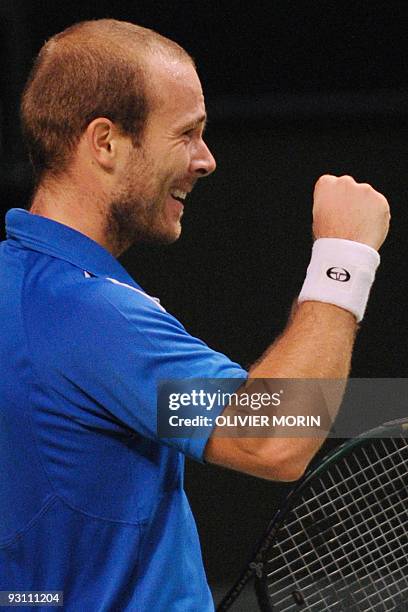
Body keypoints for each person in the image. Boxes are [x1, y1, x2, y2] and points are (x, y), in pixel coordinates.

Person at [0, 18, 389, 612]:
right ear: (105, 141)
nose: (206, 160)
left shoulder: (21, 291)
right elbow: (274, 434)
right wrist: (345, 258)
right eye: (186, 134)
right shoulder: (85, 314)